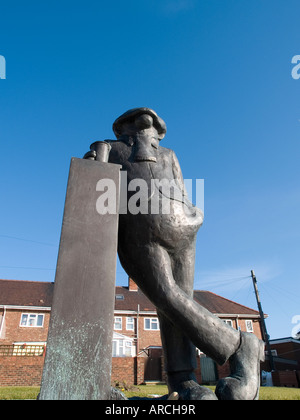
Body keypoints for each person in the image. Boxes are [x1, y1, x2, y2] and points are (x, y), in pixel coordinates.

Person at [84, 107, 264, 400]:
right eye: (136, 121)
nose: (146, 125)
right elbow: (96, 186)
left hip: (183, 231)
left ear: (159, 130)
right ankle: (239, 345)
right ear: (122, 128)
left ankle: (184, 383)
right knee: (167, 296)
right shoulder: (114, 150)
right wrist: (94, 163)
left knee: (175, 306)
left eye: (152, 124)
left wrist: (195, 215)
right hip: (140, 234)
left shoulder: (169, 154)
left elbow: (180, 187)